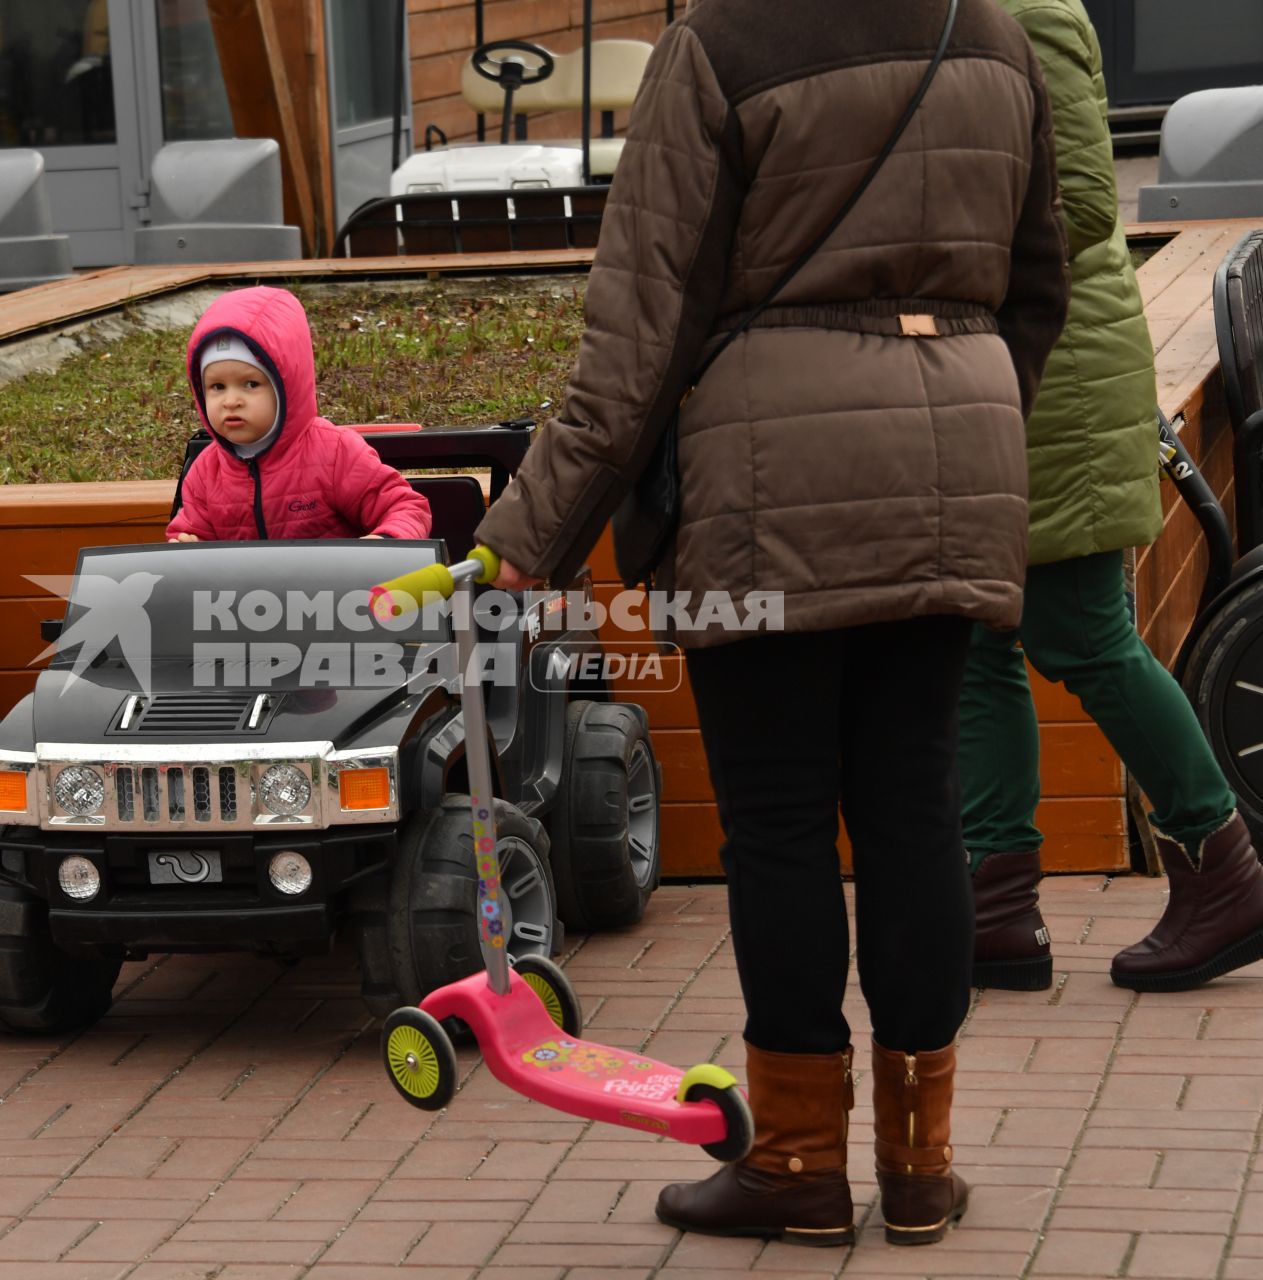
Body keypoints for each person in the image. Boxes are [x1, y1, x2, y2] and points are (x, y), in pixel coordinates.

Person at [470, 0, 1071, 1249]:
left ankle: (797, 1160)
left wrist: (521, 544)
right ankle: (921, 1164)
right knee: (915, 807)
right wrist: (957, 407)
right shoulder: (995, 36)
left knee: (782, 825)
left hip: (768, 488)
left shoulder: (726, 44)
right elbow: (1041, 284)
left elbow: (638, 337)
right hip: (955, 468)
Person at [963, 0, 1263, 996]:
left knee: (1081, 634)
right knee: (982, 640)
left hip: (1051, 373)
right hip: (1013, 369)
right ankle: (994, 911)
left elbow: (1073, 202)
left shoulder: (1026, 13)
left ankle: (1223, 872)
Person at [166, 286, 432, 544]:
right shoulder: (205, 472)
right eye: (217, 387)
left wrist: (386, 540)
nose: (231, 401)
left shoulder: (334, 453)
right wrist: (187, 546)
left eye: (251, 384)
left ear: (286, 385)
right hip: (248, 590)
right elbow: (190, 536)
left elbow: (407, 508)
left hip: (335, 587)